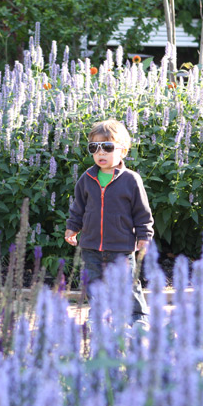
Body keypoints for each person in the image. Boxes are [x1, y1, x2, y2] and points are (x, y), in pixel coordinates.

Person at [64, 119, 154, 324]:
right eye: (94, 148)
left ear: (123, 151)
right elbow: (78, 207)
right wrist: (72, 228)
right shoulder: (87, 178)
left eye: (107, 147)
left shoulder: (131, 180)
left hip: (121, 246)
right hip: (91, 244)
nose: (100, 152)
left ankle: (137, 317)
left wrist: (144, 236)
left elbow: (142, 212)